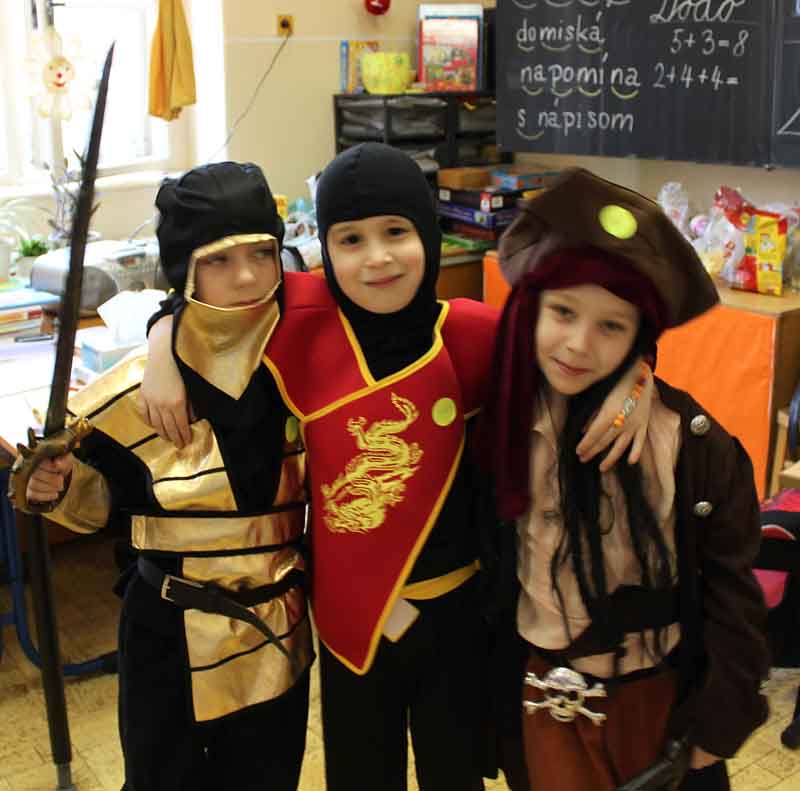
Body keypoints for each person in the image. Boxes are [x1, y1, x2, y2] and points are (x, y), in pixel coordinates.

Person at [141, 143, 656, 790]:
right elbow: (204, 302)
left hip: (458, 619)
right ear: (325, 250)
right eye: (350, 239)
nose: (377, 257)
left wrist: (638, 374)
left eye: (396, 232)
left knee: (454, 774)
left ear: (428, 235)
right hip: (350, 618)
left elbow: (583, 336)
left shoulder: (474, 333)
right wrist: (162, 341)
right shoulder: (298, 321)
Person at [13, 162, 314, 791]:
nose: (248, 276)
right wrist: (57, 487)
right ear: (185, 268)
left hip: (276, 622)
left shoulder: (310, 361)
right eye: (218, 260)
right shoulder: (136, 392)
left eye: (262, 253)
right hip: (167, 629)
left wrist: (163, 328)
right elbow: (105, 505)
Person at [478, 167, 770, 791]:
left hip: (654, 707)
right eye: (563, 311)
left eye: (612, 325)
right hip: (539, 700)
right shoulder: (498, 421)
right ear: (531, 307)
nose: (578, 345)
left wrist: (716, 726)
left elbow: (732, 592)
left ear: (640, 337)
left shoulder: (691, 447)